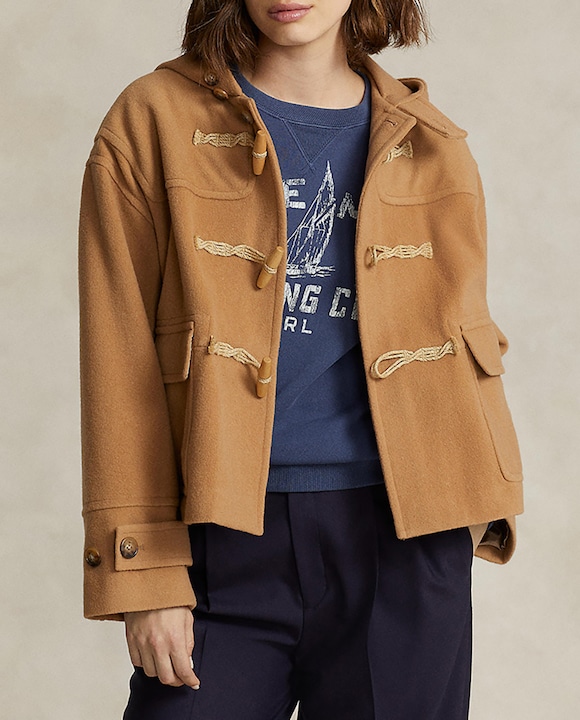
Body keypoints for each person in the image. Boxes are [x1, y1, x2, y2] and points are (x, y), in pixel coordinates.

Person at [78, 1, 524, 718]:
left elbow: (462, 336)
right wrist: (144, 569)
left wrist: (473, 511)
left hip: (403, 542)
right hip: (219, 533)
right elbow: (119, 357)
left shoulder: (432, 142)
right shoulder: (152, 119)